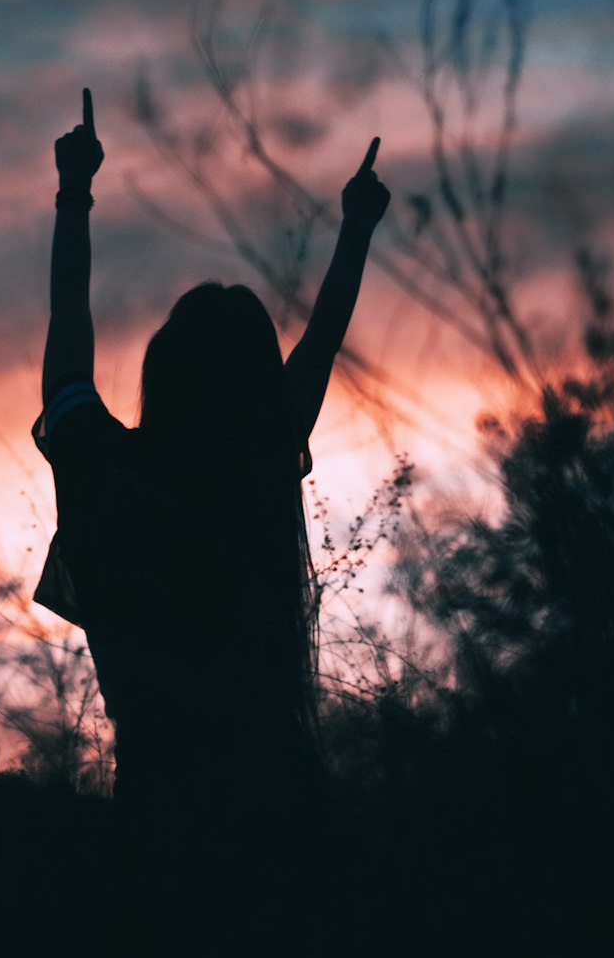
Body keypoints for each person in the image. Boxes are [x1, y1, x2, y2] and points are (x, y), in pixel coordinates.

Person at [32, 87, 389, 832]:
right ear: (257, 389)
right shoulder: (255, 473)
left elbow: (68, 328)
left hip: (156, 820)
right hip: (282, 814)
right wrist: (355, 229)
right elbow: (319, 344)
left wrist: (74, 192)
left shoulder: (105, 474)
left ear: (162, 372)